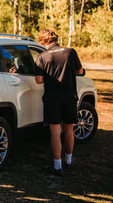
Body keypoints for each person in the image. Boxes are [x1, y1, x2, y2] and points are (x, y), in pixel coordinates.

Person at [35, 29, 84, 176]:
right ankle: (68, 161)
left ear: (42, 41)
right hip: (69, 95)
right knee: (69, 129)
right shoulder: (70, 52)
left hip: (52, 97)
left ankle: (57, 166)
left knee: (55, 131)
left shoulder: (41, 56)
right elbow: (80, 71)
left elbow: (38, 80)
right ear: (56, 38)